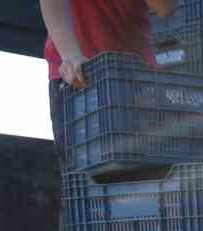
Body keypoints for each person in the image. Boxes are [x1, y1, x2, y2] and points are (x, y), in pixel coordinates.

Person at [41, 0, 172, 162]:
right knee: (86, 177)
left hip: (136, 73)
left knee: (148, 172)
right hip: (79, 73)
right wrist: (70, 54)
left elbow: (166, 8)